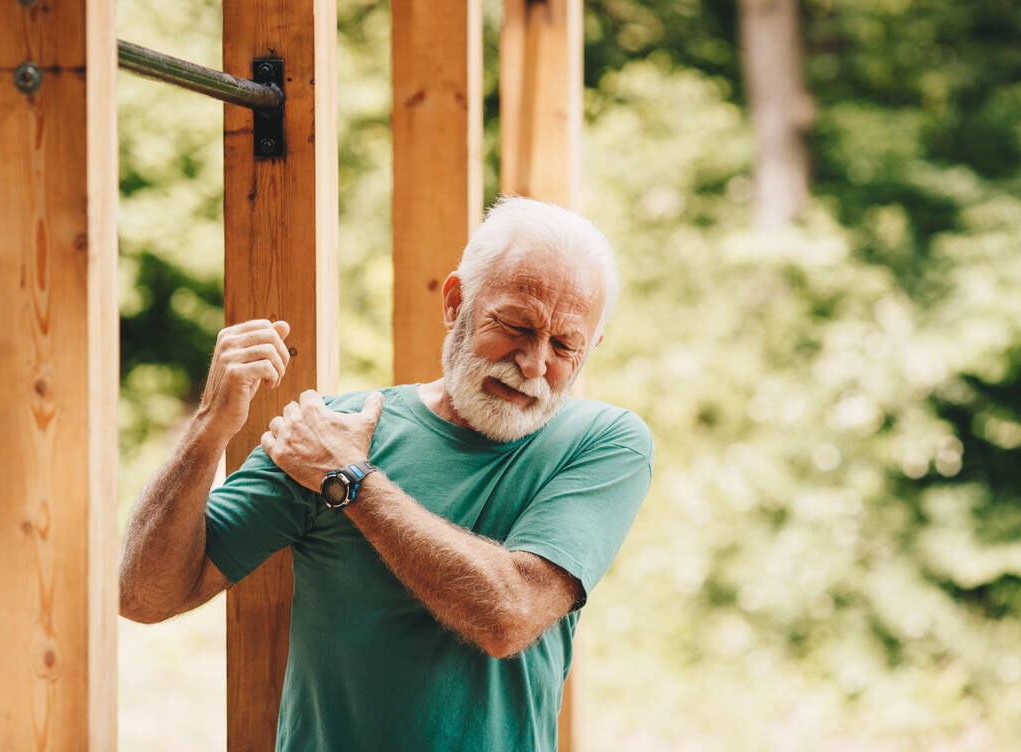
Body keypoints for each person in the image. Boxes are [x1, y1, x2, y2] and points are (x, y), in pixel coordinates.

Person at [119, 196, 653, 751]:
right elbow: (144, 596)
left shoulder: (604, 443)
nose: (534, 363)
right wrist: (211, 425)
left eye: (566, 344)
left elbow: (509, 616)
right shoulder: (330, 431)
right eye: (515, 325)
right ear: (455, 303)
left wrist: (349, 481)